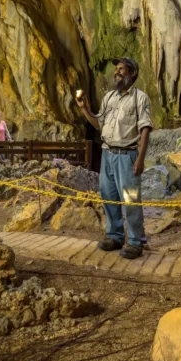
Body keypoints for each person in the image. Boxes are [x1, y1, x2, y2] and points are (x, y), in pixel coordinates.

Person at [76, 57, 152, 260]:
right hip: (108, 154)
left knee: (130, 199)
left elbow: (145, 129)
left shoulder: (139, 98)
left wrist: (141, 159)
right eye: (116, 69)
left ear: (132, 74)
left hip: (127, 156)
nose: (117, 72)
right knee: (108, 196)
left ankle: (136, 242)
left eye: (122, 69)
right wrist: (84, 108)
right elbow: (98, 124)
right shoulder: (109, 97)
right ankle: (115, 236)